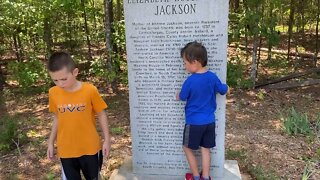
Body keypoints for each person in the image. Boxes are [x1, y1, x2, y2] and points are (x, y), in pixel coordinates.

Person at [46, 52, 110, 180]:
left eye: (64, 79)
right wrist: (50, 142)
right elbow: (57, 117)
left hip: (90, 148)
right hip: (66, 150)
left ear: (75, 72)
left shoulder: (90, 90)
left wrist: (107, 139)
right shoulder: (53, 93)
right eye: (55, 80)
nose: (60, 84)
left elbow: (101, 114)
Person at [176, 41, 228, 180]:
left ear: (195, 62)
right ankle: (205, 176)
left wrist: (178, 95)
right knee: (205, 149)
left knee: (187, 148)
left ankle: (195, 176)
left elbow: (182, 96)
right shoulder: (212, 77)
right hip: (209, 122)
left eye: (185, 63)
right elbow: (222, 89)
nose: (184, 66)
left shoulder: (190, 81)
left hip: (194, 123)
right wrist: (227, 87)